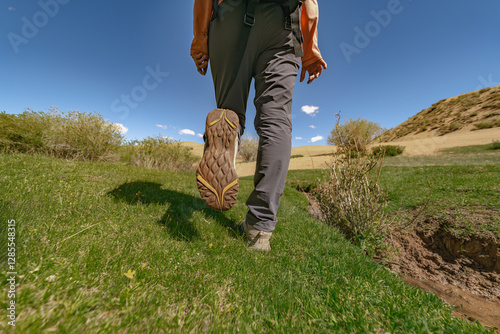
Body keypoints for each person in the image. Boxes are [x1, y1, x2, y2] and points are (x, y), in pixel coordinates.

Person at [191, 0, 326, 251]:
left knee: (229, 112)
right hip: (284, 24)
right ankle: (260, 227)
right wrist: (310, 47)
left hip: (232, 14)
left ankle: (227, 138)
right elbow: (311, 3)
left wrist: (200, 37)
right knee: (276, 120)